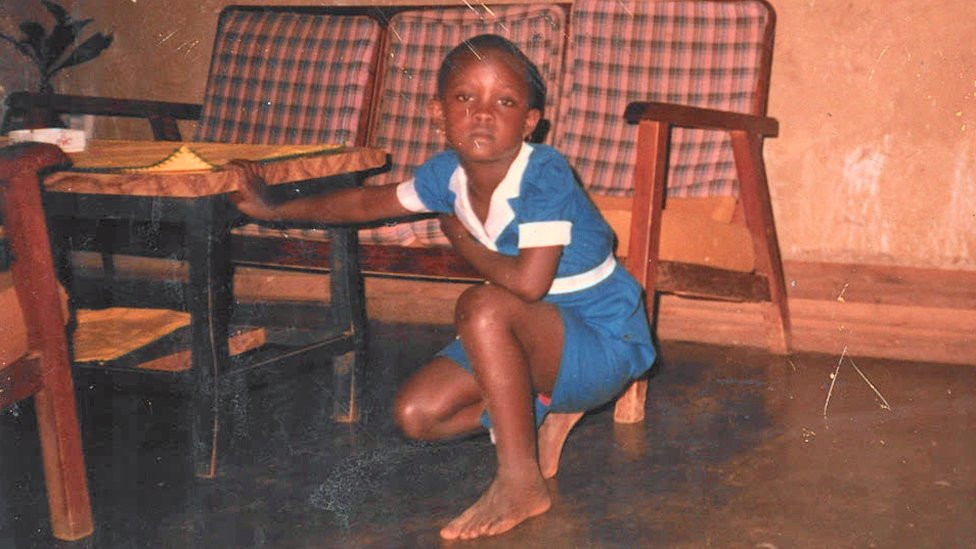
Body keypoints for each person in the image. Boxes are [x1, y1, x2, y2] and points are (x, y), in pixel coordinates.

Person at [229, 33, 655, 540]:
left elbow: (529, 283)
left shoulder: (544, 174)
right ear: (438, 112)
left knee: (482, 306)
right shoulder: (446, 175)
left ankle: (520, 481)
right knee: (417, 414)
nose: (482, 113)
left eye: (505, 101)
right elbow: (366, 205)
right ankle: (543, 406)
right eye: (464, 97)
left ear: (530, 121)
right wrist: (274, 208)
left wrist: (457, 237)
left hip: (603, 339)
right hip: (538, 343)